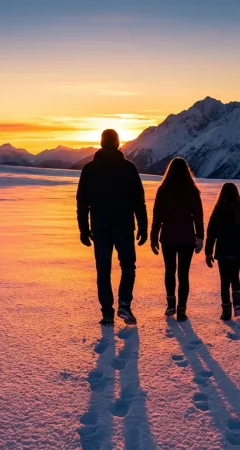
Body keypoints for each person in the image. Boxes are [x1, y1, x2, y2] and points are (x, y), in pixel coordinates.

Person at [77, 129, 148, 326]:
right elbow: (138, 201)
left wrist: (83, 229)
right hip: (124, 227)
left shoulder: (90, 169)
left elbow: (82, 203)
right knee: (128, 267)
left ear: (101, 143)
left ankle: (107, 313)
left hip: (100, 228)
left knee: (103, 271)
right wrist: (143, 227)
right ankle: (124, 304)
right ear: (118, 143)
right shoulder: (128, 168)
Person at [150, 158, 204, 322]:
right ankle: (181, 309)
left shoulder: (163, 189)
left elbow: (157, 215)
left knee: (170, 271)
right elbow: (198, 216)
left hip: (168, 236)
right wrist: (200, 237)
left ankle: (171, 305)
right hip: (187, 236)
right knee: (183, 274)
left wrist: (154, 237)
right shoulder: (192, 190)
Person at [205, 182, 240, 321]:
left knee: (224, 281)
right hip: (237, 250)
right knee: (235, 277)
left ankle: (226, 311)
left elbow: (211, 233)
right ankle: (238, 305)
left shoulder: (218, 210)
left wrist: (208, 252)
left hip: (222, 250)